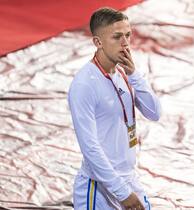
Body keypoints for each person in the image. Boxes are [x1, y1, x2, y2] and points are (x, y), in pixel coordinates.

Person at [68, 7, 161, 210]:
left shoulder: (124, 73)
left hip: (129, 179)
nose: (125, 43)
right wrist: (122, 192)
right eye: (117, 37)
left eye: (128, 35)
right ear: (98, 42)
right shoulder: (85, 84)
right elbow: (90, 147)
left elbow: (154, 113)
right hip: (99, 189)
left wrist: (135, 75)